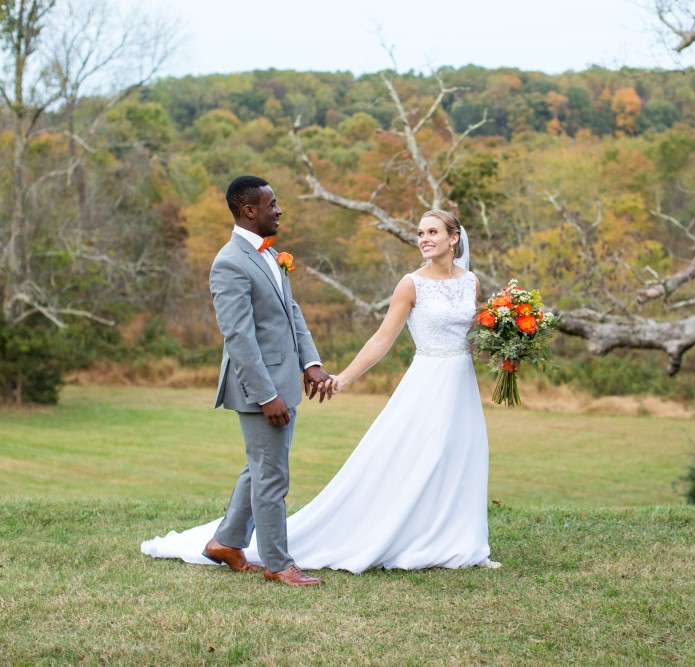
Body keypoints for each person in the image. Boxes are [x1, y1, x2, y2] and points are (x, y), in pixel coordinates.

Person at [142, 209, 497, 573]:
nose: (423, 238)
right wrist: (342, 378)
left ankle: (457, 540)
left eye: (432, 232)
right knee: (421, 456)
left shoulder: (470, 282)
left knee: (462, 453)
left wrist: (509, 344)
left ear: (454, 239)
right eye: (420, 232)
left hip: (462, 382)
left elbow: (473, 337)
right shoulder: (411, 284)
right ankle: (402, 537)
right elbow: (381, 340)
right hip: (427, 380)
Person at [173, 175, 334, 587]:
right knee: (271, 475)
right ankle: (279, 564)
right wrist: (267, 395)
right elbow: (239, 338)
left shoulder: (272, 254)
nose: (278, 210)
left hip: (282, 379)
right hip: (261, 389)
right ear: (249, 211)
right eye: (271, 204)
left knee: (261, 467)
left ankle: (225, 543)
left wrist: (310, 362)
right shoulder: (229, 262)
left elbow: (290, 312)